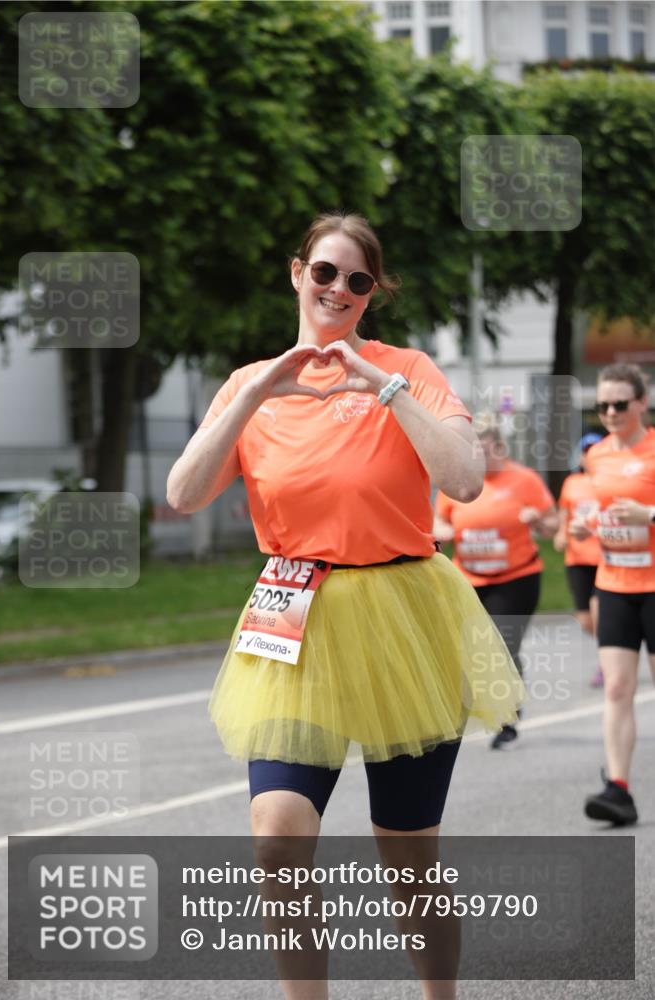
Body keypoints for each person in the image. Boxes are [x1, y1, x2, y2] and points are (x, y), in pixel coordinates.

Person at [167, 212, 523, 1000]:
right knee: (277, 836)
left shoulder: (409, 368)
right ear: (297, 273)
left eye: (357, 280)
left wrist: (384, 387)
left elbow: (463, 480)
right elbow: (183, 494)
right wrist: (259, 387)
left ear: (372, 294)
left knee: (405, 858)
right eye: (324, 272)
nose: (337, 290)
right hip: (293, 613)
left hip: (405, 613)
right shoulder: (249, 386)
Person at [434, 420, 558, 749]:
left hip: (516, 577)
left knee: (503, 646)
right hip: (470, 578)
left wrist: (539, 520)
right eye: (471, 451)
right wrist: (441, 530)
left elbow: (553, 526)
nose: (476, 459)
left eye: (483, 451)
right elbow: (439, 520)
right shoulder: (458, 483)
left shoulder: (524, 480)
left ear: (500, 448)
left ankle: (508, 719)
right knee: (471, 649)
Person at [568, 363, 655, 827]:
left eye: (620, 403)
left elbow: (641, 514)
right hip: (615, 583)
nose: (611, 412)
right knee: (618, 687)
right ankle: (618, 788)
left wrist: (651, 514)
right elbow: (606, 514)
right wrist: (590, 526)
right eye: (603, 405)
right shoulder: (596, 455)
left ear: (642, 402)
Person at [553, 433, 604, 688]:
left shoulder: (610, 481)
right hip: (577, 557)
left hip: (605, 558)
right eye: (586, 451)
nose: (590, 456)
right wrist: (562, 533)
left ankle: (607, 660)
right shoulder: (572, 482)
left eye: (595, 451)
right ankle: (615, 641)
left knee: (598, 610)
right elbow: (565, 513)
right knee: (584, 618)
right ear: (581, 455)